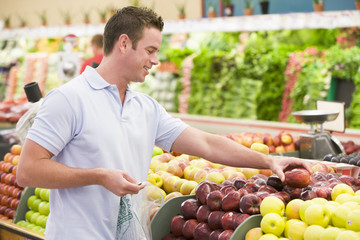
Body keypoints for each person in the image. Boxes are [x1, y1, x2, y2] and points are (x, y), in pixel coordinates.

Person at [17, 6, 312, 240]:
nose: (156, 60)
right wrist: (99, 176)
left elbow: (207, 143)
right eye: (150, 50)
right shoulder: (69, 99)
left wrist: (268, 160)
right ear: (123, 44)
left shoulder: (145, 108)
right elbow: (28, 171)